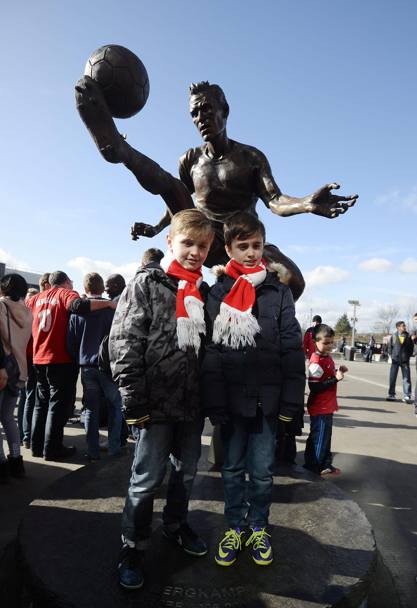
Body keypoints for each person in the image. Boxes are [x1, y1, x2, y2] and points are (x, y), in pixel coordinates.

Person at [75, 76, 358, 301]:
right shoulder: (191, 159)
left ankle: (254, 318)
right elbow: (177, 203)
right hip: (206, 239)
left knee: (293, 279)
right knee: (171, 185)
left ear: (225, 111)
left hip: (240, 241)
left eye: (207, 109)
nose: (201, 118)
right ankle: (119, 149)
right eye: (195, 113)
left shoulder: (250, 157)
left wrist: (306, 203)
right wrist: (155, 228)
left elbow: (274, 200)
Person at [109, 209, 215, 590]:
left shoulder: (204, 292)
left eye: (202, 246)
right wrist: (133, 399)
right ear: (170, 242)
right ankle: (133, 546)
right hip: (154, 404)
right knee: (146, 478)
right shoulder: (147, 284)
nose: (195, 251)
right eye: (188, 243)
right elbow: (124, 341)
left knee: (186, 473)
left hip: (191, 405)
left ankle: (175, 524)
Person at [201, 212, 305, 567]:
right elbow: (212, 352)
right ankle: (234, 527)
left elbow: (292, 349)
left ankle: (258, 528)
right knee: (231, 470)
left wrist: (292, 402)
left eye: (256, 245)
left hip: (267, 401)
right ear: (228, 248)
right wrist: (214, 402)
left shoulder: (280, 293)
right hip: (230, 402)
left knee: (261, 473)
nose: (250, 253)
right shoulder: (218, 292)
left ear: (264, 247)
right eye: (242, 246)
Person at [26, 271, 116, 461]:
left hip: (38, 357)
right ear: (66, 282)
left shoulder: (36, 298)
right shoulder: (66, 294)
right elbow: (78, 306)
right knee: (56, 406)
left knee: (41, 403)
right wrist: (108, 303)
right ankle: (52, 449)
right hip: (59, 358)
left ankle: (36, 446)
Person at [67, 272, 123, 461]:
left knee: (90, 409)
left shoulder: (78, 313)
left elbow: (71, 342)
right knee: (116, 406)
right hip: (108, 367)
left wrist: (80, 358)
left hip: (87, 366)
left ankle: (92, 450)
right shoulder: (112, 309)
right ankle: (115, 447)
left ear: (85, 289)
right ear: (102, 288)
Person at [304, 323, 347, 476]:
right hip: (320, 408)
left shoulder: (326, 357)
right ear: (315, 341)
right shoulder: (315, 361)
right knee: (319, 439)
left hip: (327, 406)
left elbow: (326, 375)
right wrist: (335, 379)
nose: (329, 346)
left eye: (331, 342)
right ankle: (313, 468)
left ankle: (324, 464)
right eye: (325, 343)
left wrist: (337, 372)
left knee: (324, 437)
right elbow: (315, 387)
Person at [0, 274, 32, 479]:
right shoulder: (28, 311)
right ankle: (16, 460)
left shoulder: (1, 306)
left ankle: (1, 466)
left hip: (2, 368)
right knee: (8, 417)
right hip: (19, 369)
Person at [387, 321, 414, 403]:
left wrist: (408, 356)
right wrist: (392, 355)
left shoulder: (408, 335)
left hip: (405, 360)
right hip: (395, 360)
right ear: (398, 327)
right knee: (392, 377)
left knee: (406, 378)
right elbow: (390, 347)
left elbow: (411, 347)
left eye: (405, 325)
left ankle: (407, 395)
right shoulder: (394, 336)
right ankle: (391, 394)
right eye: (403, 326)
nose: (405, 327)